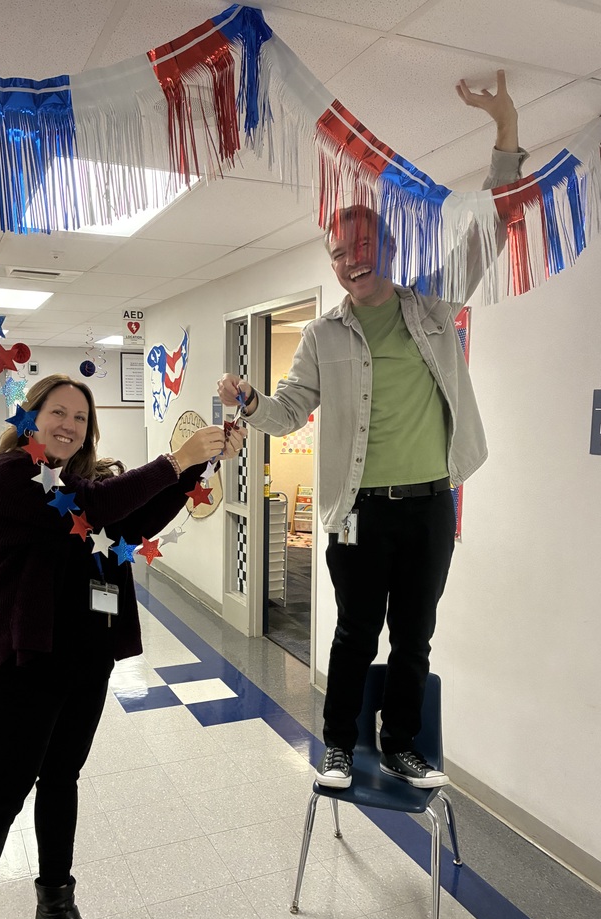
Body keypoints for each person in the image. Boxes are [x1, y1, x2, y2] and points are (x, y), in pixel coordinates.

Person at [218, 72, 525, 791]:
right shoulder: (324, 336)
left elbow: (490, 229)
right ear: (332, 260)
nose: (351, 264)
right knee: (357, 633)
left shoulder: (430, 306)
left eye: (361, 250)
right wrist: (253, 401)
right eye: (339, 255)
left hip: (427, 506)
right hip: (355, 512)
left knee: (415, 636)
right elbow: (290, 409)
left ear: (385, 248)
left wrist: (505, 129)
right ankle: (333, 744)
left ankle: (400, 745)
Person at [0, 373, 245, 919]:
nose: (69, 425)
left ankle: (55, 909)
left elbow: (127, 520)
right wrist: (174, 460)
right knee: (2, 796)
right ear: (31, 418)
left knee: (61, 781)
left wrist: (192, 472)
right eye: (58, 412)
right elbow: (89, 512)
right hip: (23, 662)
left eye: (79, 418)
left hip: (84, 658)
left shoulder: (89, 484)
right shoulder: (9, 477)